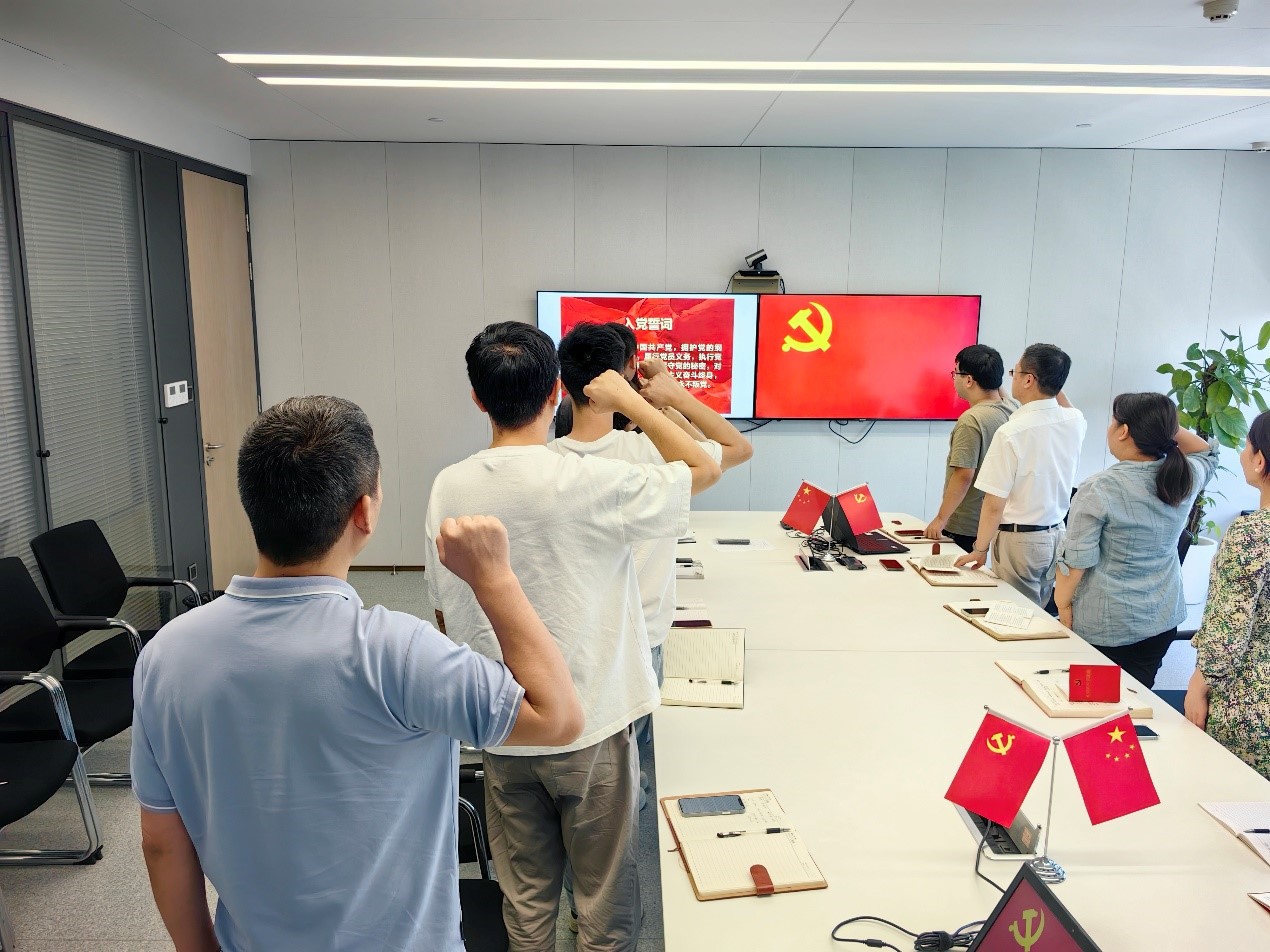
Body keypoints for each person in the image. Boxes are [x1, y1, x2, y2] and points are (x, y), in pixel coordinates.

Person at [130, 395, 582, 952]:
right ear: (364, 513)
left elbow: (161, 841)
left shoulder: (164, 656)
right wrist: (494, 578)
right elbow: (558, 717)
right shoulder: (399, 653)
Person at [424, 321, 720, 952]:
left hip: (503, 722)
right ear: (557, 392)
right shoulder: (592, 481)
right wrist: (635, 400)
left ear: (477, 398)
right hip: (593, 718)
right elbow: (705, 465)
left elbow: (445, 611)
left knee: (527, 902)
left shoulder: (449, 485)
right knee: (604, 903)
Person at [553, 323, 752, 736]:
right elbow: (737, 450)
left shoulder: (546, 460)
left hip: (572, 633)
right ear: (622, 377)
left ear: (562, 383)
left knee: (583, 738)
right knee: (635, 748)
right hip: (642, 633)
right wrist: (674, 396)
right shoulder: (653, 455)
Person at [1053, 393, 1219, 688]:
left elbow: (1076, 563)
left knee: (1094, 700)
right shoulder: (1185, 476)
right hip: (1161, 620)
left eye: (1112, 422)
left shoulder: (1099, 488)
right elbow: (1207, 453)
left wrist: (1063, 607)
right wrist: (1162, 424)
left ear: (1124, 431)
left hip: (1105, 625)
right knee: (1138, 695)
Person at [955, 343, 1087, 608]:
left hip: (1020, 542)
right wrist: (1054, 379)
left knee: (1017, 614)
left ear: (1029, 380)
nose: (1011, 378)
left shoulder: (1011, 432)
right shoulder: (1075, 421)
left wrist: (980, 549)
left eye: (1015, 372)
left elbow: (994, 503)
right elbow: (1061, 403)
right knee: (1041, 611)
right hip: (1057, 536)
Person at [1185, 409, 1270, 779]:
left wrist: (1199, 684)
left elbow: (1228, 630)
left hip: (1251, 701)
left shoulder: (1252, 534)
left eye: (1247, 446)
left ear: (1260, 460)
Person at [924, 344, 1019, 551]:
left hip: (966, 525)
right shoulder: (1013, 408)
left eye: (955, 373)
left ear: (969, 380)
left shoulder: (971, 420)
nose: (953, 379)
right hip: (996, 520)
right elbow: (999, 391)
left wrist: (940, 519)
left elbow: (964, 475)